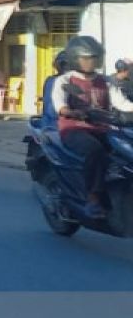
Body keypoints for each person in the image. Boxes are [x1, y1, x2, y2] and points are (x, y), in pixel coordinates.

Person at [52, 36, 113, 219]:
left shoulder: (106, 81)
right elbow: (60, 105)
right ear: (74, 58)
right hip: (74, 128)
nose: (89, 62)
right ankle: (93, 199)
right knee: (95, 151)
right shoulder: (65, 81)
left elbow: (122, 103)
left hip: (102, 128)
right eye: (85, 58)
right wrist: (72, 112)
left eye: (93, 58)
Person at [41, 52, 68, 130]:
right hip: (55, 124)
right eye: (64, 65)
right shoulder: (53, 81)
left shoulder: (49, 80)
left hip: (50, 122)